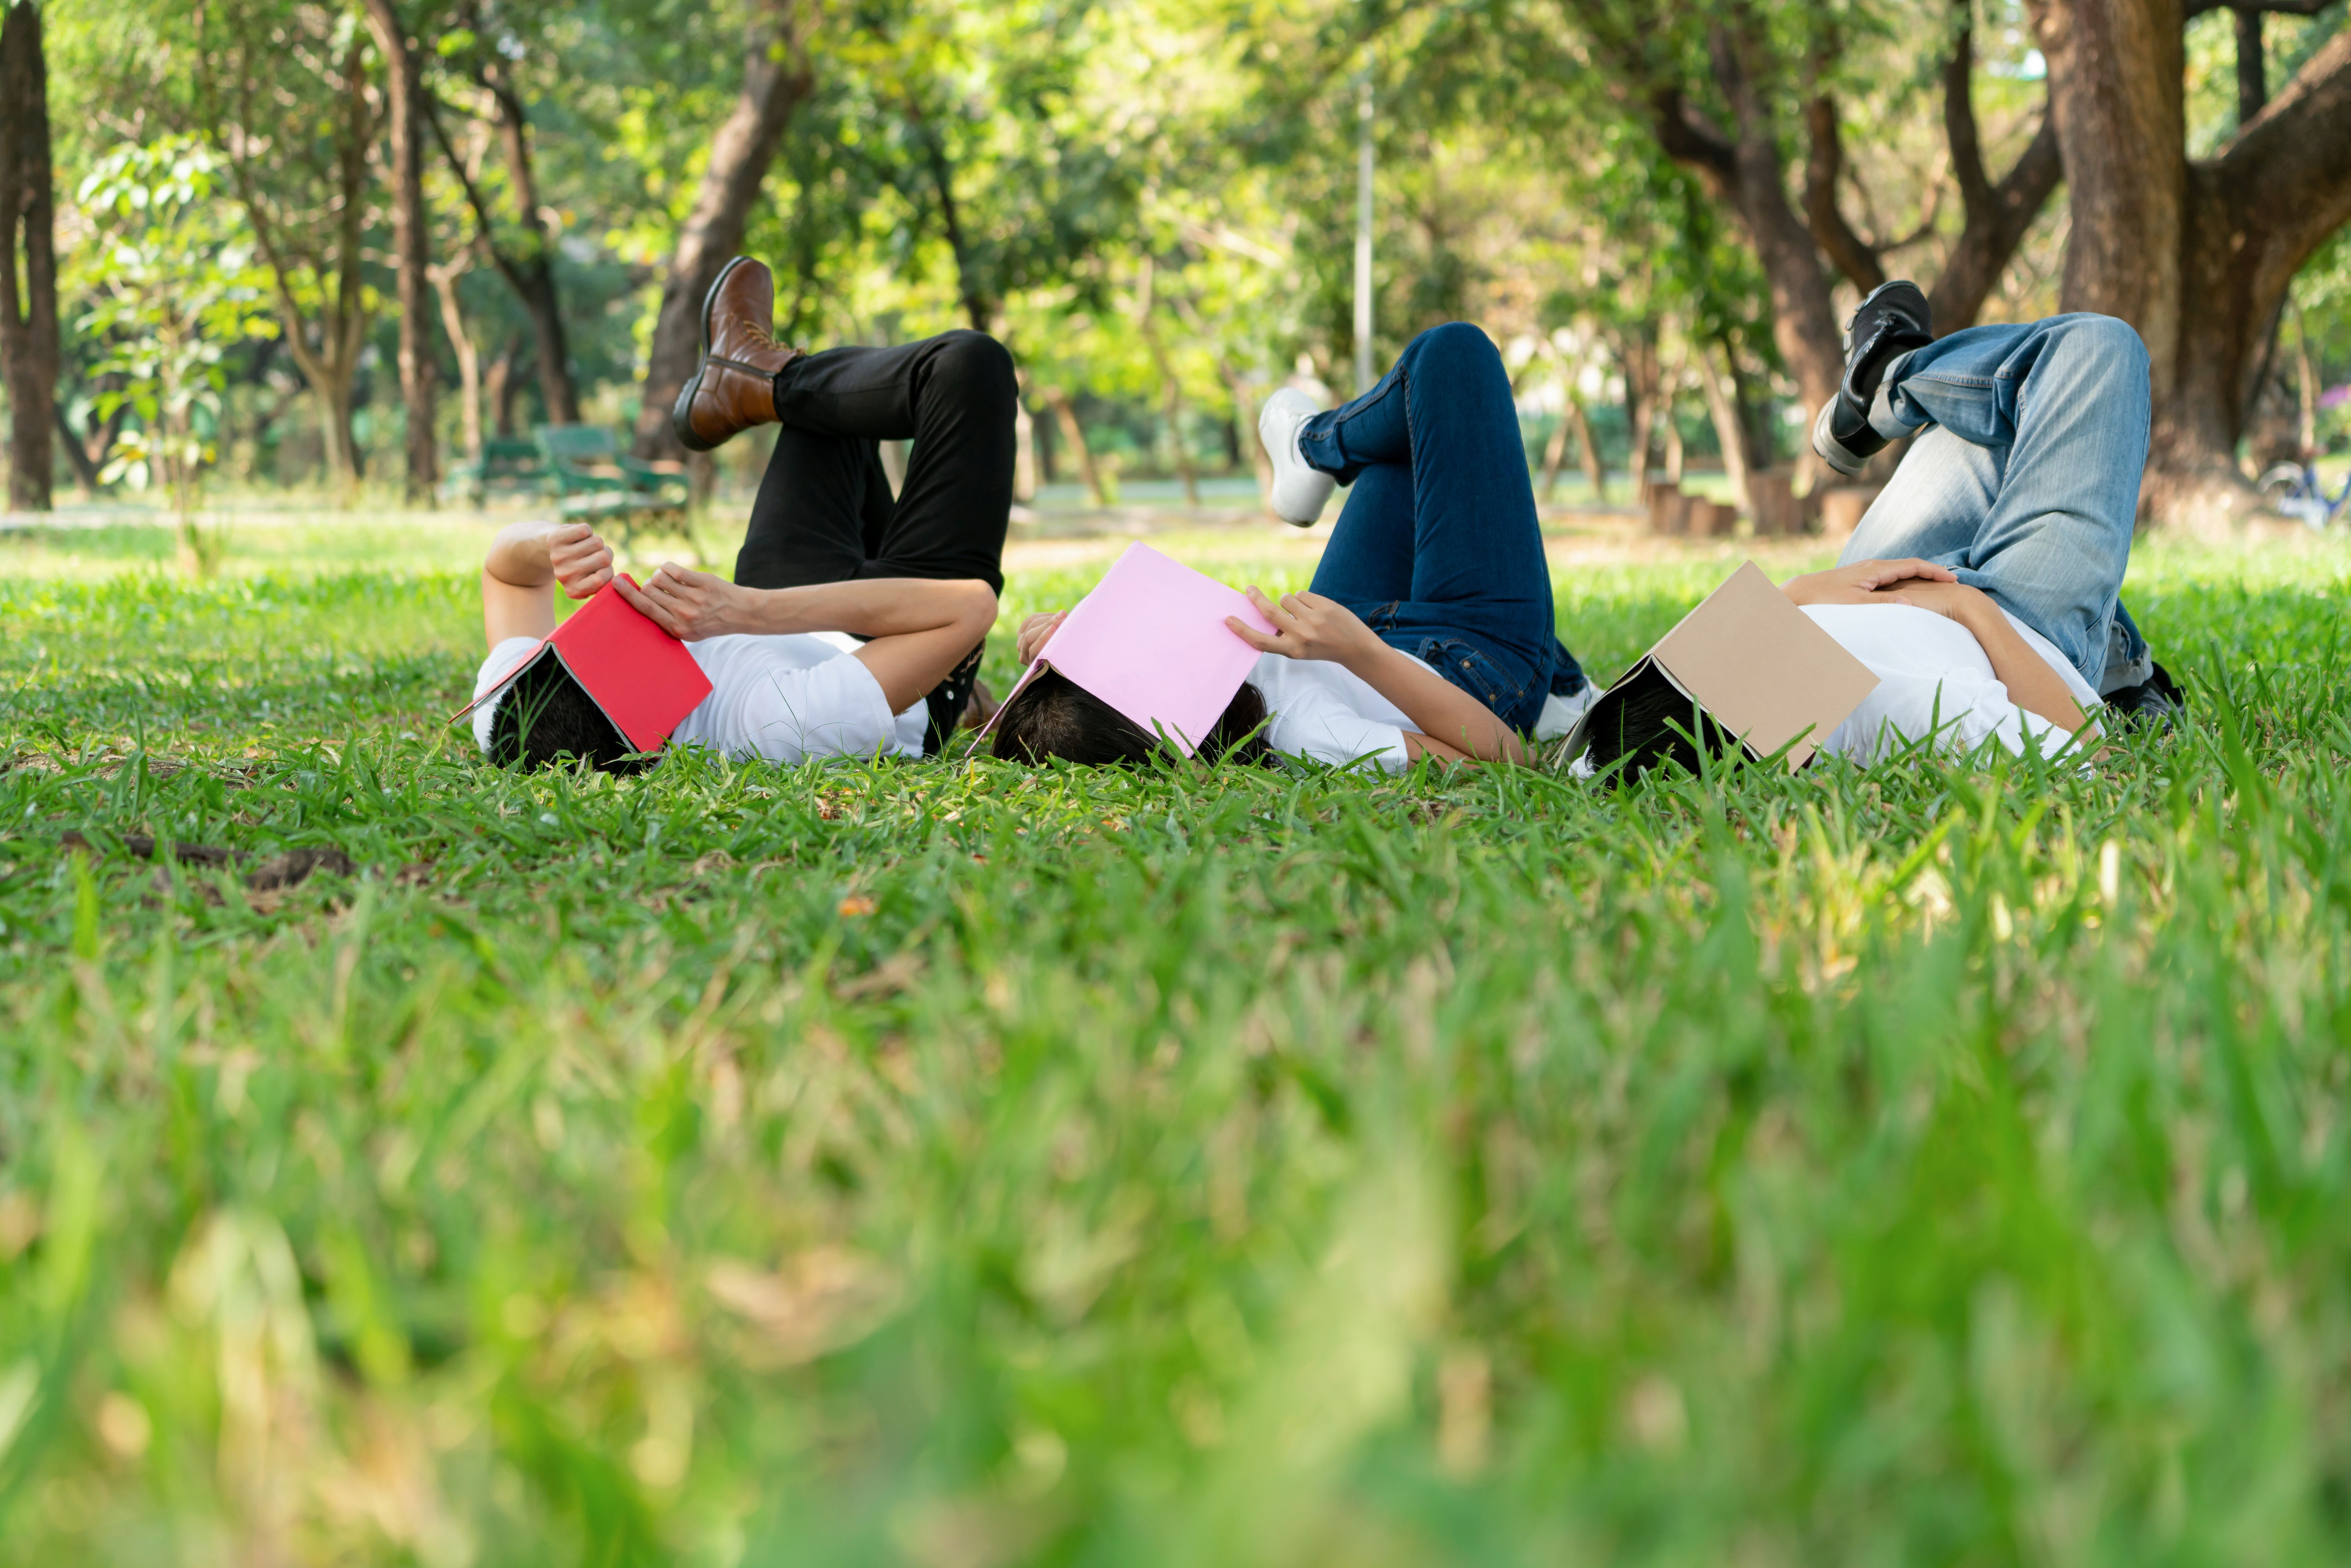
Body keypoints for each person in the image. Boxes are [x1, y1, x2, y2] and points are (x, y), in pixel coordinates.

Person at [1596, 285, 2184, 779]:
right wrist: (1966, 605)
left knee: (2000, 421)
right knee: (2098, 350)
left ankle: (2122, 661)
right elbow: (2085, 754)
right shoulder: (1884, 710)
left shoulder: (1634, 723)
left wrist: (1805, 591)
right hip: (2014, 625)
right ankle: (1893, 377)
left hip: (1871, 579)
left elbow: (1642, 693)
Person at [469, 255, 1011, 771]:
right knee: (968, 368)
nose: (614, 610)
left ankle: (752, 381)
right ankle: (764, 382)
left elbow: (505, 573)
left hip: (778, 603)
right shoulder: (777, 725)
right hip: (897, 644)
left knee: (840, 405)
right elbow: (968, 608)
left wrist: (547, 544)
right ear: (654, 705)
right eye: (618, 643)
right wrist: (745, 611)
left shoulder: (512, 704)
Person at [991, 322, 1593, 770]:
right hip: (1471, 666)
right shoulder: (1307, 732)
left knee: (1407, 437)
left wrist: (1075, 636)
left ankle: (1565, 686)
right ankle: (1314, 447)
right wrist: (1362, 654)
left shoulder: (1201, 668)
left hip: (1343, 627)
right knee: (1452, 359)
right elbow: (1505, 758)